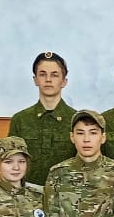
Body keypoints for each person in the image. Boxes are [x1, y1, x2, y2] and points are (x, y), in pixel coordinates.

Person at [8, 51, 76, 185]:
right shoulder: (21, 119)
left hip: (66, 193)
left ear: (64, 81)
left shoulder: (76, 120)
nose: (48, 80)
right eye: (43, 74)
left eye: (54, 75)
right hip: (27, 193)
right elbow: (11, 162)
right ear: (35, 80)